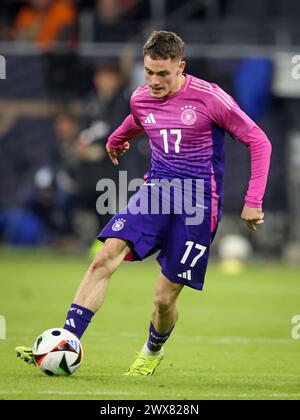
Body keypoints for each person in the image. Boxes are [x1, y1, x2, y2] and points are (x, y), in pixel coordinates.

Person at [16, 31, 272, 376]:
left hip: (198, 206)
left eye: (163, 74)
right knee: (105, 257)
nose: (154, 81)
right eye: (149, 72)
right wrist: (115, 139)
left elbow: (259, 141)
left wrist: (253, 200)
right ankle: (65, 341)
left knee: (163, 300)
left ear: (180, 67)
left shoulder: (211, 99)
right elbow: (138, 120)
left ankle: (152, 350)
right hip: (155, 193)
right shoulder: (141, 97)